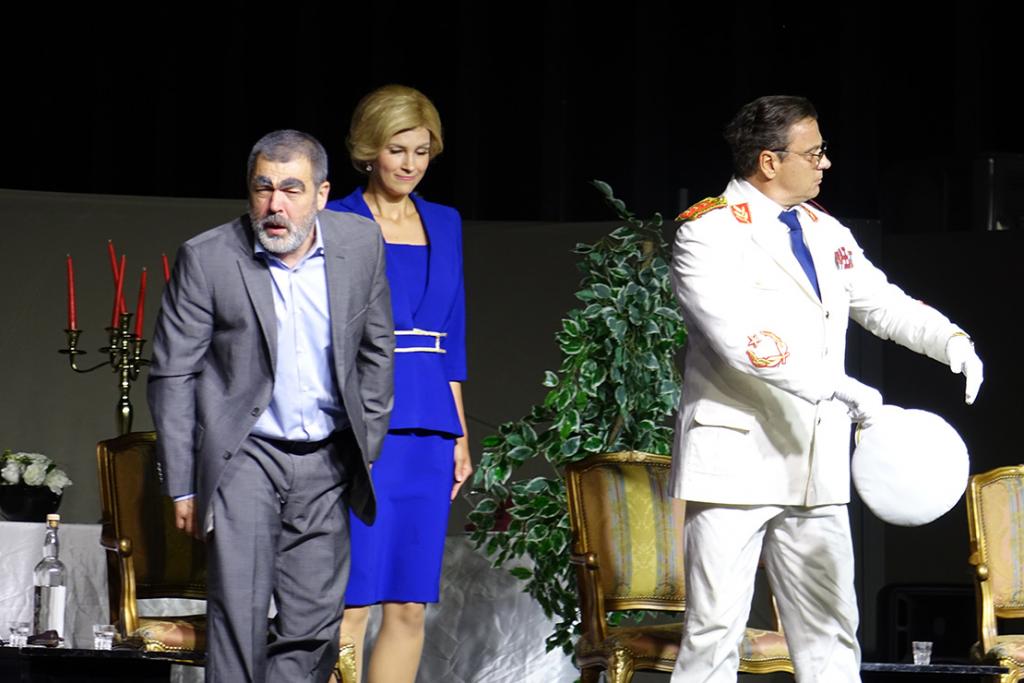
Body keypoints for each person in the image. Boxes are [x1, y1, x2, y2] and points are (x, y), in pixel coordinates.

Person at [669, 95, 984, 683]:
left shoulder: (823, 230)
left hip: (815, 460)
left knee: (832, 632)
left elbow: (881, 302)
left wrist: (949, 339)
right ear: (769, 161)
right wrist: (843, 390)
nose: (826, 164)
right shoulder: (709, 232)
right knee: (713, 634)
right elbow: (745, 344)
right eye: (813, 153)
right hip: (736, 460)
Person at [147, 129, 394, 683]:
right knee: (239, 618)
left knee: (314, 626)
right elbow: (173, 374)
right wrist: (183, 484)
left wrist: (367, 441)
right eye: (263, 188)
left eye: (291, 189)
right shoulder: (209, 258)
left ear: (322, 194)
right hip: (245, 458)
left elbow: (377, 348)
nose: (275, 205)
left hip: (328, 459)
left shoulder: (360, 244)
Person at [324, 84, 471, 683]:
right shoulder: (337, 220)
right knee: (351, 602)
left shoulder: (446, 222)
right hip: (360, 424)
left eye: (422, 151)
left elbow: (453, 336)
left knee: (409, 604)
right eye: (397, 150)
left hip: (430, 429)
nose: (410, 164)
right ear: (368, 151)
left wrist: (460, 434)